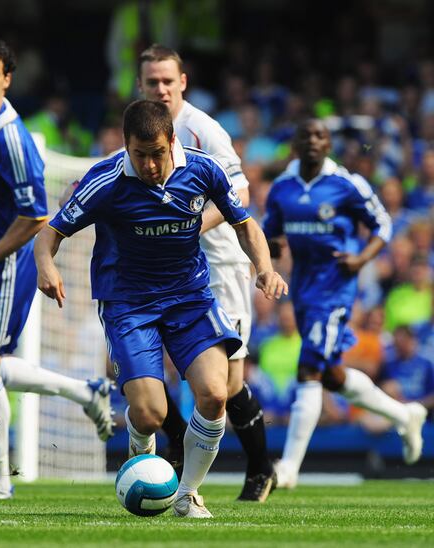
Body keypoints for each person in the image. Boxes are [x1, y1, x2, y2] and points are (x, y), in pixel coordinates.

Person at [36, 100, 288, 518]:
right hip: (129, 305)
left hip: (190, 298)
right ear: (126, 146)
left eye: (157, 153)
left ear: (173, 141)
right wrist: (47, 267)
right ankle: (142, 453)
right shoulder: (106, 181)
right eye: (140, 155)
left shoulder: (203, 170)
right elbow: (49, 234)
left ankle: (187, 494)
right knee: (151, 412)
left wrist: (264, 268)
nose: (150, 165)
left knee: (213, 394)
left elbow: (245, 224)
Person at [0, 36, 114, 499]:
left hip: (6, 266)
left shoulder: (14, 139)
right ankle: (86, 393)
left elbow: (35, 216)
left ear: (8, 80)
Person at [136, 44, 277, 501]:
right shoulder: (139, 127)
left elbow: (239, 190)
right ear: (141, 85)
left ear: (182, 84)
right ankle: (177, 446)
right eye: (151, 81)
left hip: (218, 266)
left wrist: (189, 228)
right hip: (165, 269)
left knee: (227, 384)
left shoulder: (203, 130)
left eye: (166, 81)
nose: (159, 88)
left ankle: (260, 467)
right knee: (143, 364)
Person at [264, 118, 427, 488]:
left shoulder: (345, 185)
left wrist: (360, 259)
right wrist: (269, 250)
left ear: (328, 145)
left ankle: (288, 469)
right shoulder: (283, 188)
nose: (312, 141)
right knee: (332, 375)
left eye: (320, 136)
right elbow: (271, 232)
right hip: (303, 286)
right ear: (295, 143)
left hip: (336, 287)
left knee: (308, 370)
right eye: (305, 134)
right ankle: (404, 415)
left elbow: (383, 224)